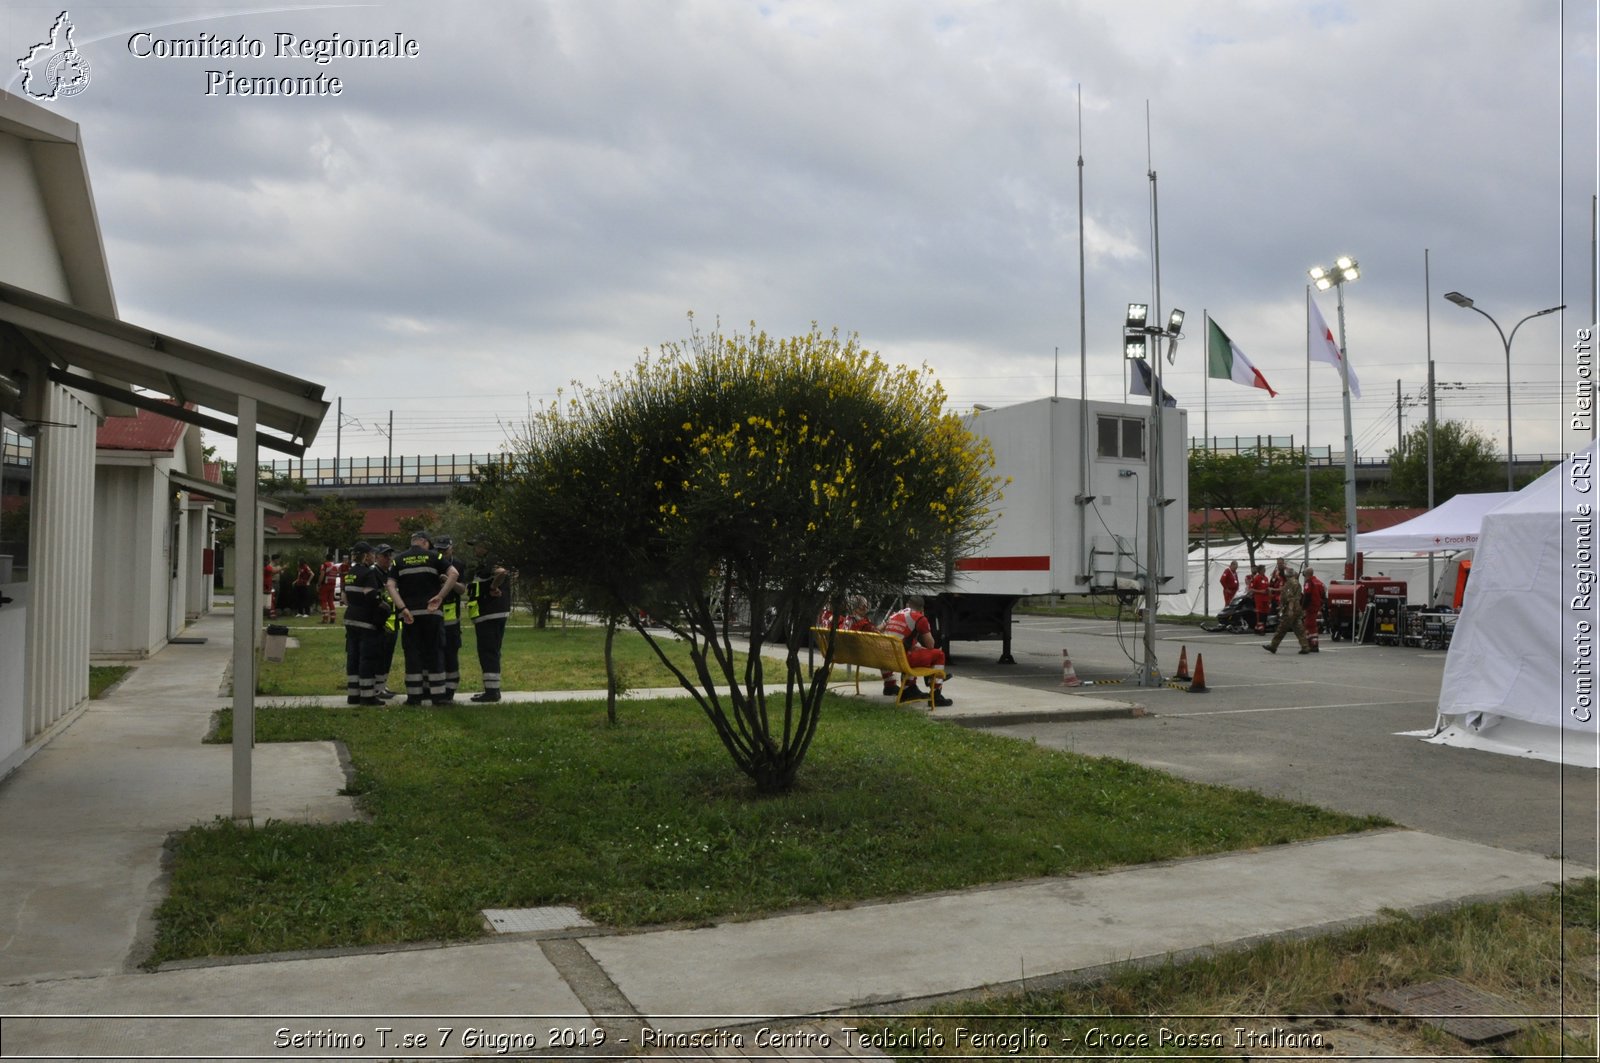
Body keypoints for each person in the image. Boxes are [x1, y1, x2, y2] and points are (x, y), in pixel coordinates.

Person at [386, 530, 457, 706]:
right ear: (424, 542)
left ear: (412, 542)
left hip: (410, 614)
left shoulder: (399, 559)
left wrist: (402, 607)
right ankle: (438, 696)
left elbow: (390, 585)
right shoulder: (434, 557)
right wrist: (440, 596)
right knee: (435, 651)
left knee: (412, 653)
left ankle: (414, 696)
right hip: (432, 612)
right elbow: (454, 574)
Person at [882, 594, 952, 707]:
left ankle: (909, 689)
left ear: (907, 605)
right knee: (939, 654)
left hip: (888, 657)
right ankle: (936, 694)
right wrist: (923, 620)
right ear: (922, 609)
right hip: (902, 659)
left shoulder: (894, 615)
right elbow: (931, 645)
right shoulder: (919, 618)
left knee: (917, 650)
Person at [340, 542, 387, 704]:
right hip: (366, 621)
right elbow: (371, 596)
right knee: (367, 657)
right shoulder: (368, 573)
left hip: (350, 618)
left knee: (353, 656)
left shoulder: (350, 573)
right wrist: (384, 605)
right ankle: (367, 696)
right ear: (366, 555)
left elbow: (344, 598)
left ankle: (353, 695)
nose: (374, 556)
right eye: (372, 554)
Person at [466, 539, 513, 703]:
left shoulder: (491, 561)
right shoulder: (488, 562)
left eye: (477, 546)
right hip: (491, 614)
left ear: (485, 547)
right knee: (491, 651)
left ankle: (492, 692)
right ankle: (492, 689)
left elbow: (502, 572)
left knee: (488, 652)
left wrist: (493, 587)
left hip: (490, 614)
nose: (475, 549)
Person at [436, 536, 466, 702]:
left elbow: (462, 590)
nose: (442, 553)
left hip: (451, 617)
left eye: (444, 550)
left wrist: (449, 581)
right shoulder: (433, 562)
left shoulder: (458, 565)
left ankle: (450, 689)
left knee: (451, 654)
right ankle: (435, 688)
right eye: (439, 550)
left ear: (451, 548)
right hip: (435, 614)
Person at [370, 544, 400, 699]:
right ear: (376, 557)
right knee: (378, 656)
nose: (388, 558)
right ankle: (376, 688)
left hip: (393, 622)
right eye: (384, 555)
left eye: (390, 555)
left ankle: (382, 686)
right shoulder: (374, 573)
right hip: (380, 622)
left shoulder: (391, 574)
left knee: (387, 655)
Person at [1264, 565, 1311, 655]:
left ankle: (1273, 646)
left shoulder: (1290, 583)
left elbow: (1290, 598)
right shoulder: (1296, 582)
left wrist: (1289, 609)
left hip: (1291, 609)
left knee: (1282, 628)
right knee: (1299, 628)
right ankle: (1305, 646)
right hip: (1297, 608)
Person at [1302, 565, 1327, 652]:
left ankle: (1313, 644)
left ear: (1306, 574)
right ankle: (1312, 642)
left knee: (1309, 625)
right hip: (1317, 605)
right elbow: (1324, 594)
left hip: (1310, 606)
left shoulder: (1309, 582)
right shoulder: (1319, 582)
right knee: (1310, 624)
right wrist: (1321, 603)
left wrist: (1303, 606)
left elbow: (1307, 595)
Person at [318, 552, 342, 624]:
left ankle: (325, 619)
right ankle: (333, 618)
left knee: (323, 601)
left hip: (325, 585)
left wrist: (319, 583)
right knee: (331, 601)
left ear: (326, 558)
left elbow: (322, 575)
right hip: (332, 585)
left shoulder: (324, 565)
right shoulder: (335, 567)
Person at [1249, 564, 1270, 634]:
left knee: (1265, 613)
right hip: (1259, 598)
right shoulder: (1256, 578)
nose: (1264, 570)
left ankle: (1261, 626)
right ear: (1260, 570)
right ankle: (1260, 628)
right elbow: (1251, 589)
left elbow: (1267, 588)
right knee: (1260, 613)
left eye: (1265, 569)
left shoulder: (1266, 578)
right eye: (1263, 569)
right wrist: (1260, 591)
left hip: (1266, 598)